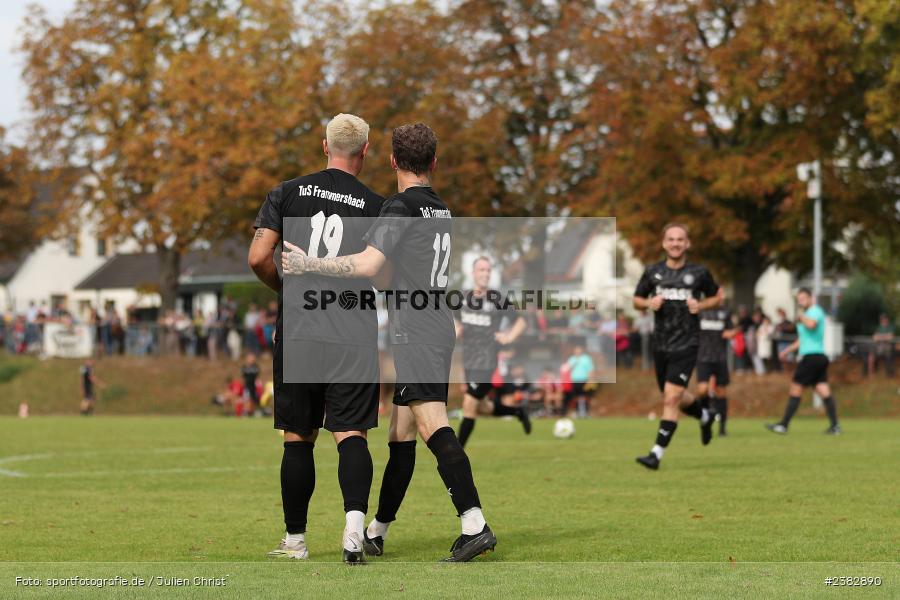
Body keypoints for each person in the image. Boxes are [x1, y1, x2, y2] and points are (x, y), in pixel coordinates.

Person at [282, 123, 496, 562]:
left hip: (416, 330)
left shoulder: (400, 206)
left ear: (393, 160)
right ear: (434, 162)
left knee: (433, 425)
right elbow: (392, 272)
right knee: (401, 434)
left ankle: (474, 523)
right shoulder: (440, 208)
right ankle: (377, 531)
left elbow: (368, 265)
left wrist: (309, 263)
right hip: (434, 323)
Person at [249, 113, 385, 563]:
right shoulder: (378, 205)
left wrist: (286, 290)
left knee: (297, 437)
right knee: (351, 434)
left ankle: (295, 541)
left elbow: (258, 257)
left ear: (325, 146)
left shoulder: (286, 192)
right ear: (365, 151)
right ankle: (353, 532)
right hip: (353, 332)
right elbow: (384, 276)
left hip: (301, 331)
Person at [633, 223, 721, 470]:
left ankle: (655, 454)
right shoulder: (653, 272)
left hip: (687, 343)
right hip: (661, 344)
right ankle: (705, 416)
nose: (675, 243)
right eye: (671, 239)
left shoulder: (699, 273)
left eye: (680, 239)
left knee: (671, 399)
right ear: (664, 243)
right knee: (674, 396)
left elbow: (717, 297)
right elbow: (636, 300)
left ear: (687, 243)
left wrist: (701, 305)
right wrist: (648, 303)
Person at [454, 256, 529, 448]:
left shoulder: (497, 299)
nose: (485, 273)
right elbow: (456, 322)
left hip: (486, 361)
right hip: (468, 361)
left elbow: (521, 322)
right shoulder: (462, 298)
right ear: (473, 273)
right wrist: (456, 329)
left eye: (488, 270)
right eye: (481, 269)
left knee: (469, 405)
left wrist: (509, 337)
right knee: (483, 406)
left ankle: (455, 453)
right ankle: (518, 412)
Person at [767, 288, 841, 435]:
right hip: (818, 357)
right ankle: (835, 426)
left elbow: (812, 325)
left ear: (810, 298)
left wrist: (801, 318)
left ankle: (783, 425)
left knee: (796, 388)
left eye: (803, 299)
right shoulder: (807, 314)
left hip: (811, 357)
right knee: (823, 390)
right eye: (799, 300)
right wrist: (786, 351)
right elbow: (802, 340)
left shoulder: (815, 311)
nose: (800, 302)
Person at [696, 289, 735, 436]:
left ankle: (722, 429)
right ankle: (706, 416)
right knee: (702, 390)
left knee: (721, 392)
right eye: (720, 294)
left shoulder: (725, 312)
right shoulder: (701, 311)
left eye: (723, 294)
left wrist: (732, 333)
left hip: (720, 358)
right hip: (703, 357)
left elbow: (731, 330)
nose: (722, 297)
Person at [564, 345, 594, 418]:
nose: (577, 351)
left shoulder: (586, 358)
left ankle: (586, 411)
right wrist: (574, 362)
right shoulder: (572, 359)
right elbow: (567, 368)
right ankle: (577, 411)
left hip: (584, 379)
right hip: (574, 380)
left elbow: (590, 369)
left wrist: (590, 379)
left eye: (579, 350)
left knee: (585, 396)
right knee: (575, 396)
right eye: (576, 350)